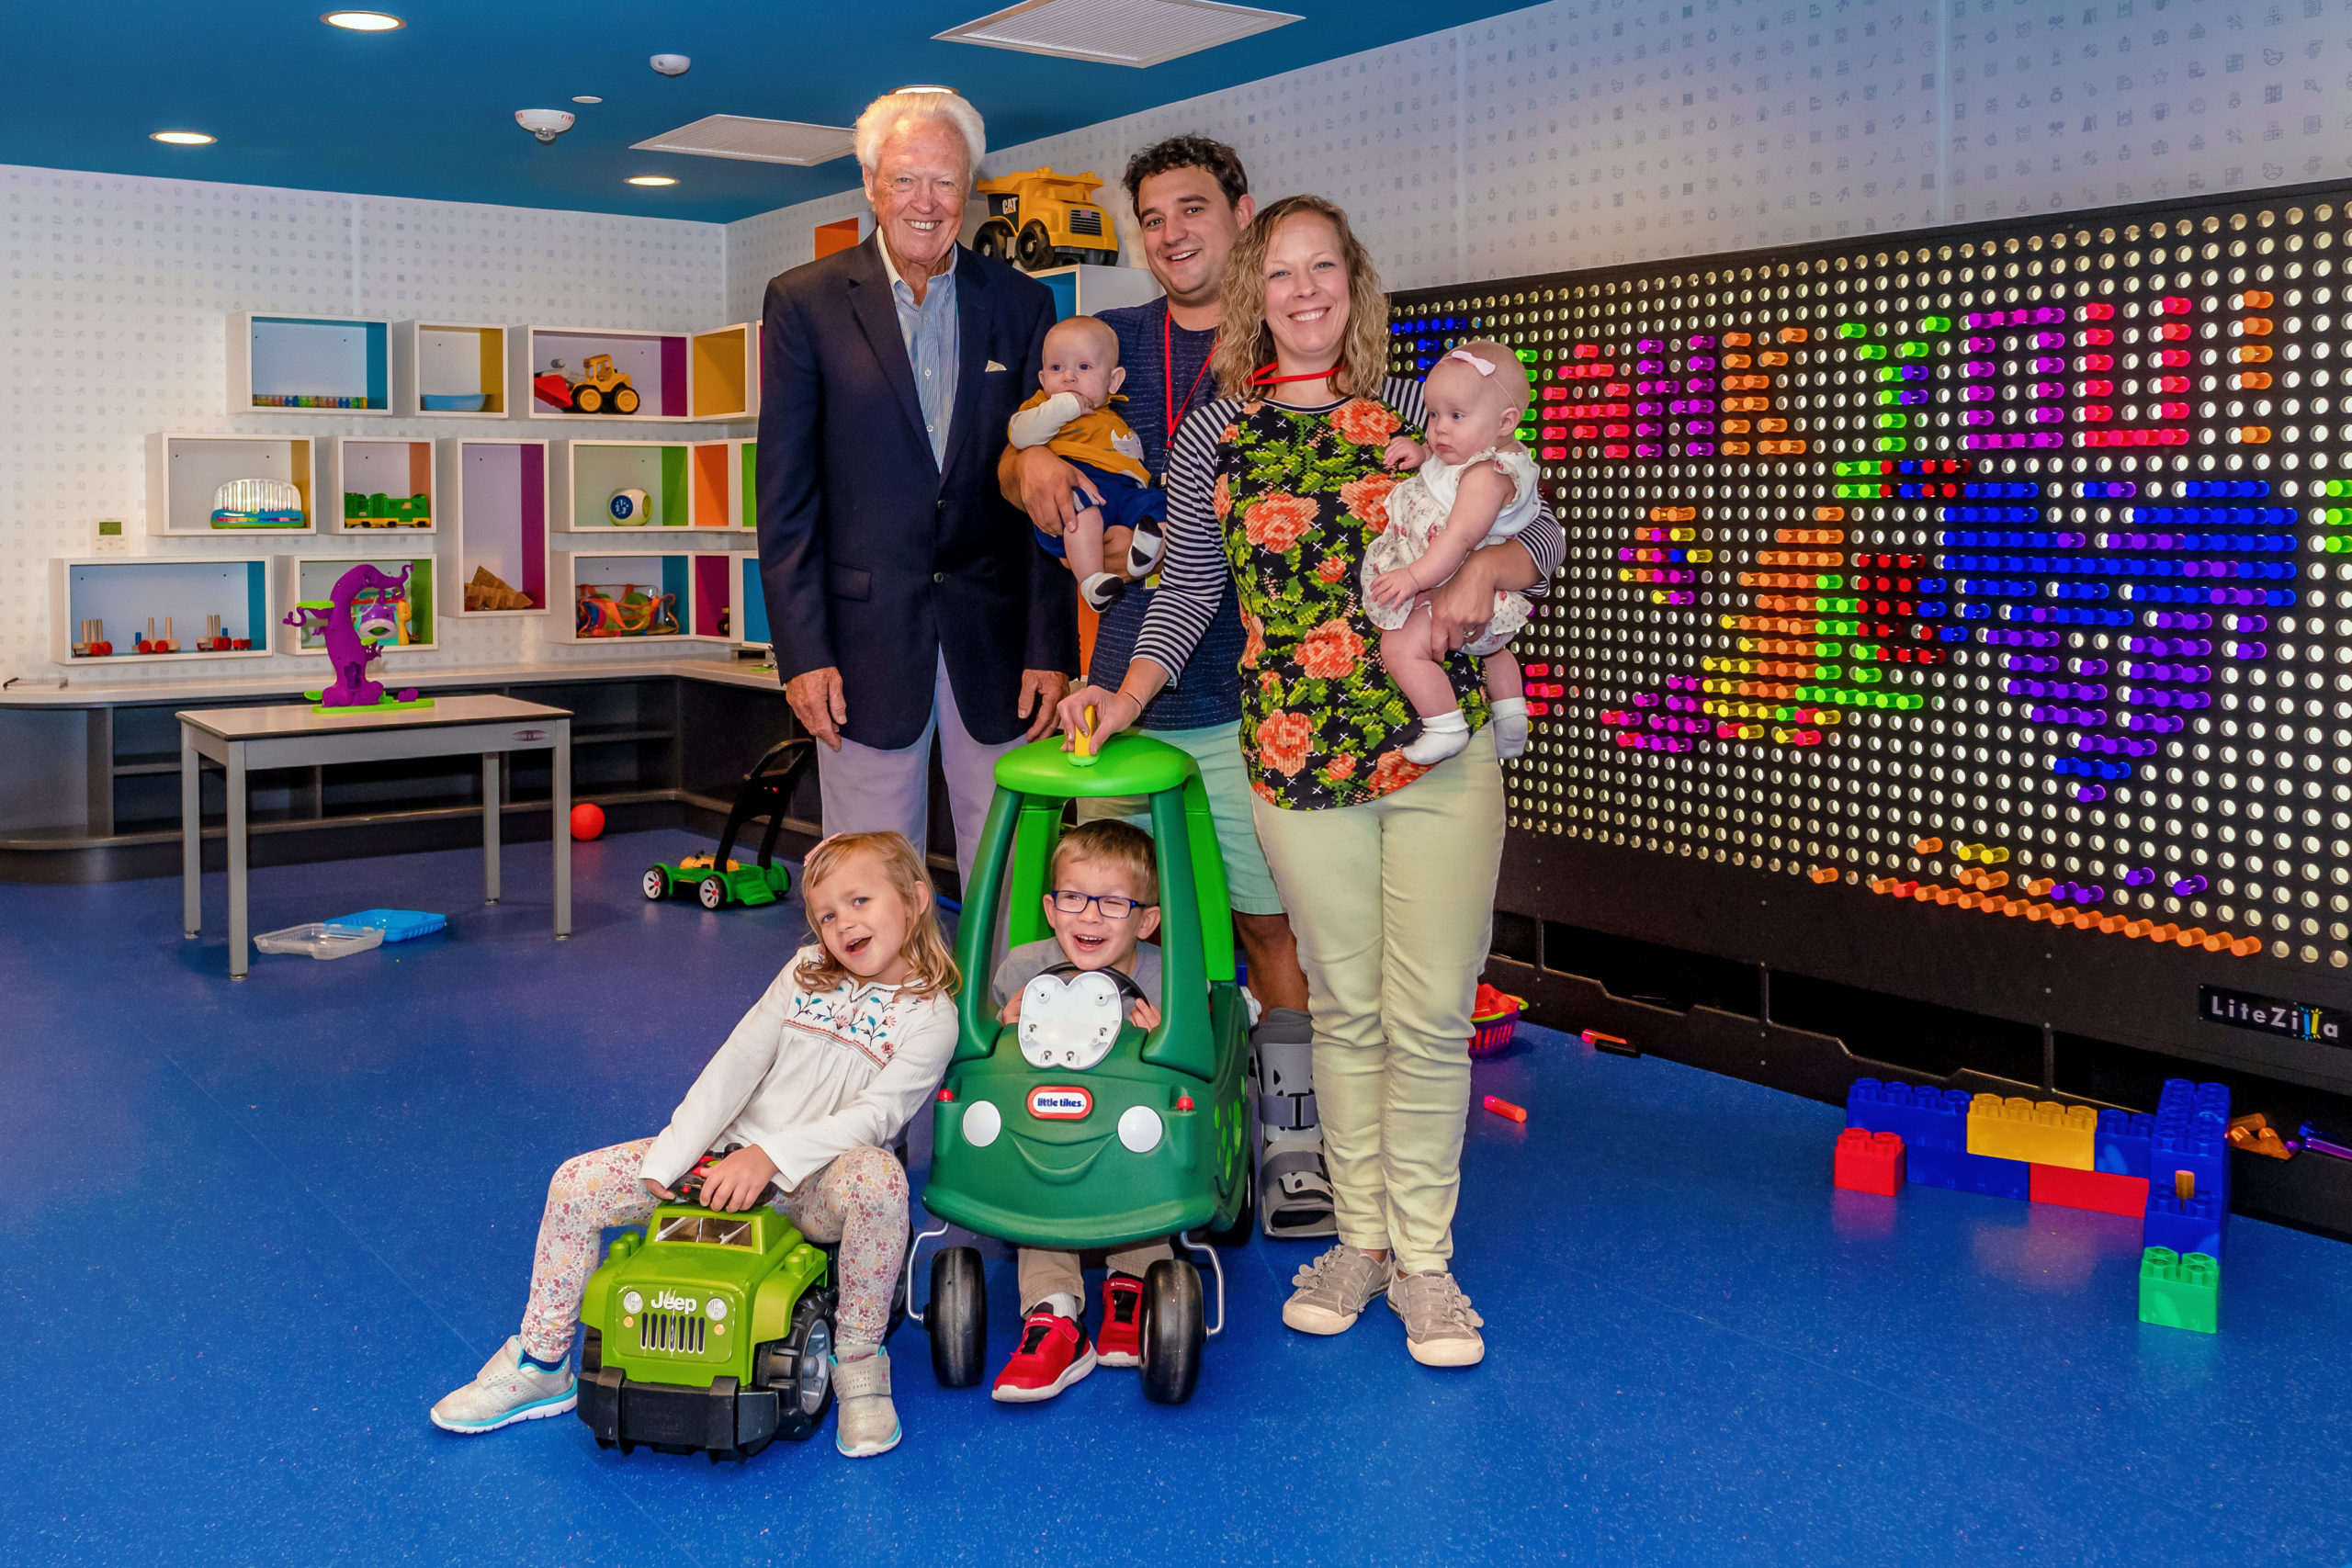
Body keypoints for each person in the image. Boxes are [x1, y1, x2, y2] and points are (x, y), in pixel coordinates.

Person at [1053, 196, 1566, 1369]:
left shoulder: (1413, 413)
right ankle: (1359, 1242)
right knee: (1345, 1012)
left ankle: (1423, 1266)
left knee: (1430, 1014)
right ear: (1253, 293)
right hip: (1293, 757)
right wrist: (1121, 698)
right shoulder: (1217, 435)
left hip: (1432, 752)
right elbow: (1185, 592)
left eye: (1321, 267)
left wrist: (1487, 560)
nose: (1302, 290)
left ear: (1353, 282)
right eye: (1279, 272)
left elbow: (1541, 532)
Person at [999, 135, 1334, 1240]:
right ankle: (1106, 1129)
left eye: (1193, 208)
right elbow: (1013, 456)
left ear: (1241, 213)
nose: (1172, 232)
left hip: (1249, 702)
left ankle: (1292, 1140)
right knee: (1100, 923)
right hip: (1118, 697)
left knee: (1264, 926)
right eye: (1151, 217)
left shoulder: (1284, 347)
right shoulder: (1107, 342)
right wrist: (1033, 466)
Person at [428, 832, 958, 1459]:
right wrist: (673, 1155)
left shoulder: (932, 1015)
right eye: (827, 914)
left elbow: (875, 1116)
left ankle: (861, 1366)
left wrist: (773, 1158)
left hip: (816, 1183)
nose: (843, 923)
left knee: (881, 1180)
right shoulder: (802, 973)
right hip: (726, 1160)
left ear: (915, 898)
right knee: (574, 1182)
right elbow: (735, 1064)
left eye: (860, 900)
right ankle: (542, 1363)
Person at [758, 87, 1073, 890]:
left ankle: (1009, 1017)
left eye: (945, 181)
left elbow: (1049, 495)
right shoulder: (805, 302)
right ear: (869, 183)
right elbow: (786, 498)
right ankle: (882, 1019)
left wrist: (1050, 645)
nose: (926, 203)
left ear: (969, 188)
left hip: (999, 645)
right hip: (859, 651)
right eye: (905, 180)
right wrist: (803, 652)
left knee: (1012, 875)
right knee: (868, 880)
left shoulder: (1025, 305)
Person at [982, 819, 1171, 1402]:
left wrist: (1162, 1042)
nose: (1089, 917)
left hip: (1129, 1149)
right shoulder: (1022, 968)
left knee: (1147, 1165)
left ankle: (1133, 1283)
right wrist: (1003, 1030)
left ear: (1146, 920)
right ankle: (1054, 1310)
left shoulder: (1165, 978)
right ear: (1050, 906)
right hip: (1046, 1134)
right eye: (1073, 899)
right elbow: (984, 1056)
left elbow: (1196, 1064)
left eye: (1114, 903)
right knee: (1040, 1187)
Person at [1363, 342, 1537, 765]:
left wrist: (1414, 578)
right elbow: (1447, 471)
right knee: (1494, 650)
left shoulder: (1487, 476)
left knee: (1400, 647)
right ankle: (1512, 712)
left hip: (1451, 588)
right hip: (1489, 613)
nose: (1440, 428)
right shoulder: (1481, 457)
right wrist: (1423, 455)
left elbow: (1458, 538)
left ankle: (1444, 724)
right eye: (1434, 415)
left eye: (1456, 416)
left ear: (1506, 422)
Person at [1006, 315, 1166, 611]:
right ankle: (1092, 581)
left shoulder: (1111, 415)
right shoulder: (1042, 408)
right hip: (1077, 485)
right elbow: (1019, 434)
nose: (1068, 377)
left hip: (1124, 489)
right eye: (1056, 368)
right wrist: (1062, 406)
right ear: (1042, 380)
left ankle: (1147, 550)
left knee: (1158, 504)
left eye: (1084, 367)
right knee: (1083, 517)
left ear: (1113, 381)